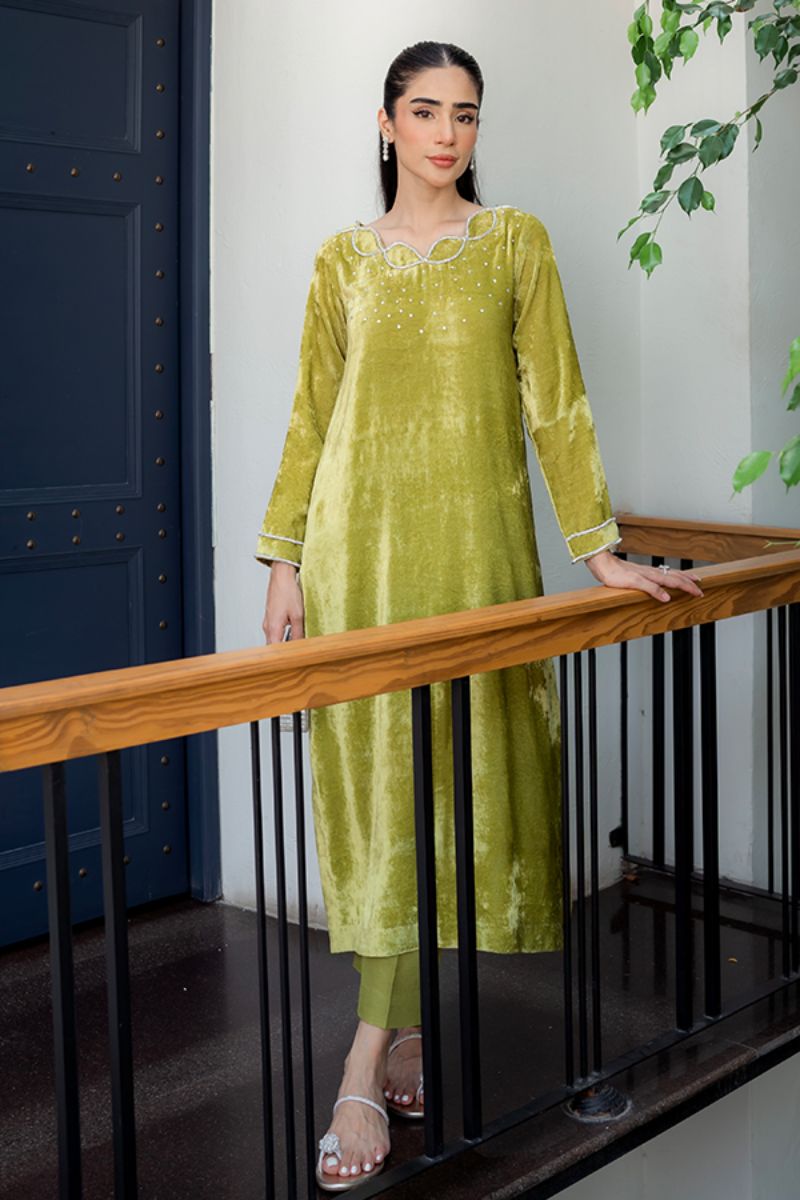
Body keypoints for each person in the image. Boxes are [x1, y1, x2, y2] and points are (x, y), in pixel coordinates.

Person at [256, 40, 702, 1192]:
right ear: (385, 123)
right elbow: (311, 415)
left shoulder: (513, 243)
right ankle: (377, 1050)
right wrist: (284, 560)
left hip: (476, 560)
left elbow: (555, 400)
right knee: (382, 805)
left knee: (450, 795)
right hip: (359, 565)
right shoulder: (340, 261)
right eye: (423, 111)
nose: (445, 133)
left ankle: (379, 1047)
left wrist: (597, 552)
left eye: (463, 114)